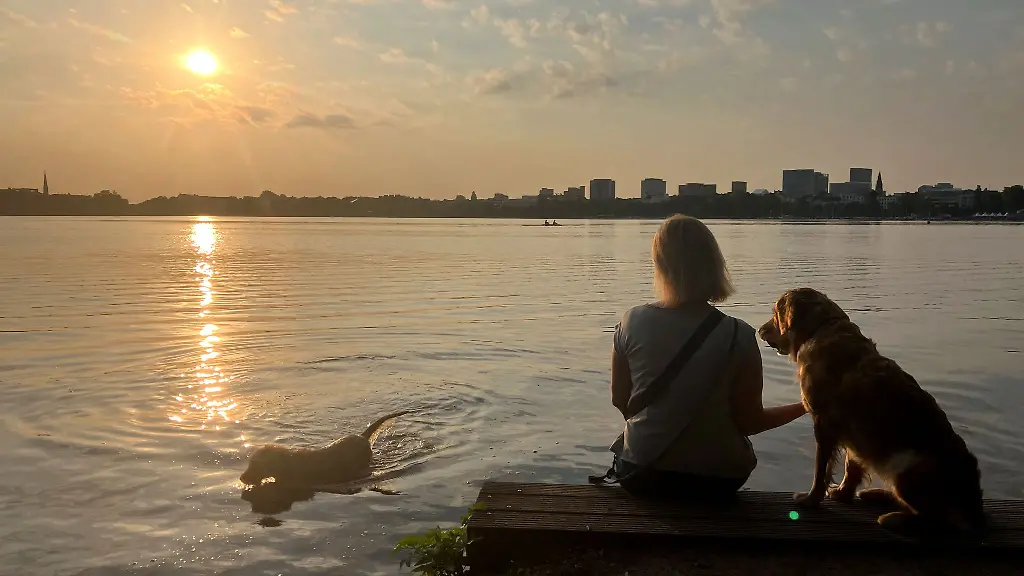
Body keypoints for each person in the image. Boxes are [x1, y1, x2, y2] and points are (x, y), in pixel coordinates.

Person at [602, 214, 807, 500]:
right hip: (717, 479)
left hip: (642, 472)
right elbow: (750, 422)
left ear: (659, 264)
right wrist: (806, 405)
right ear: (714, 264)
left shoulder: (630, 321)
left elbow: (619, 399)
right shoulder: (738, 334)